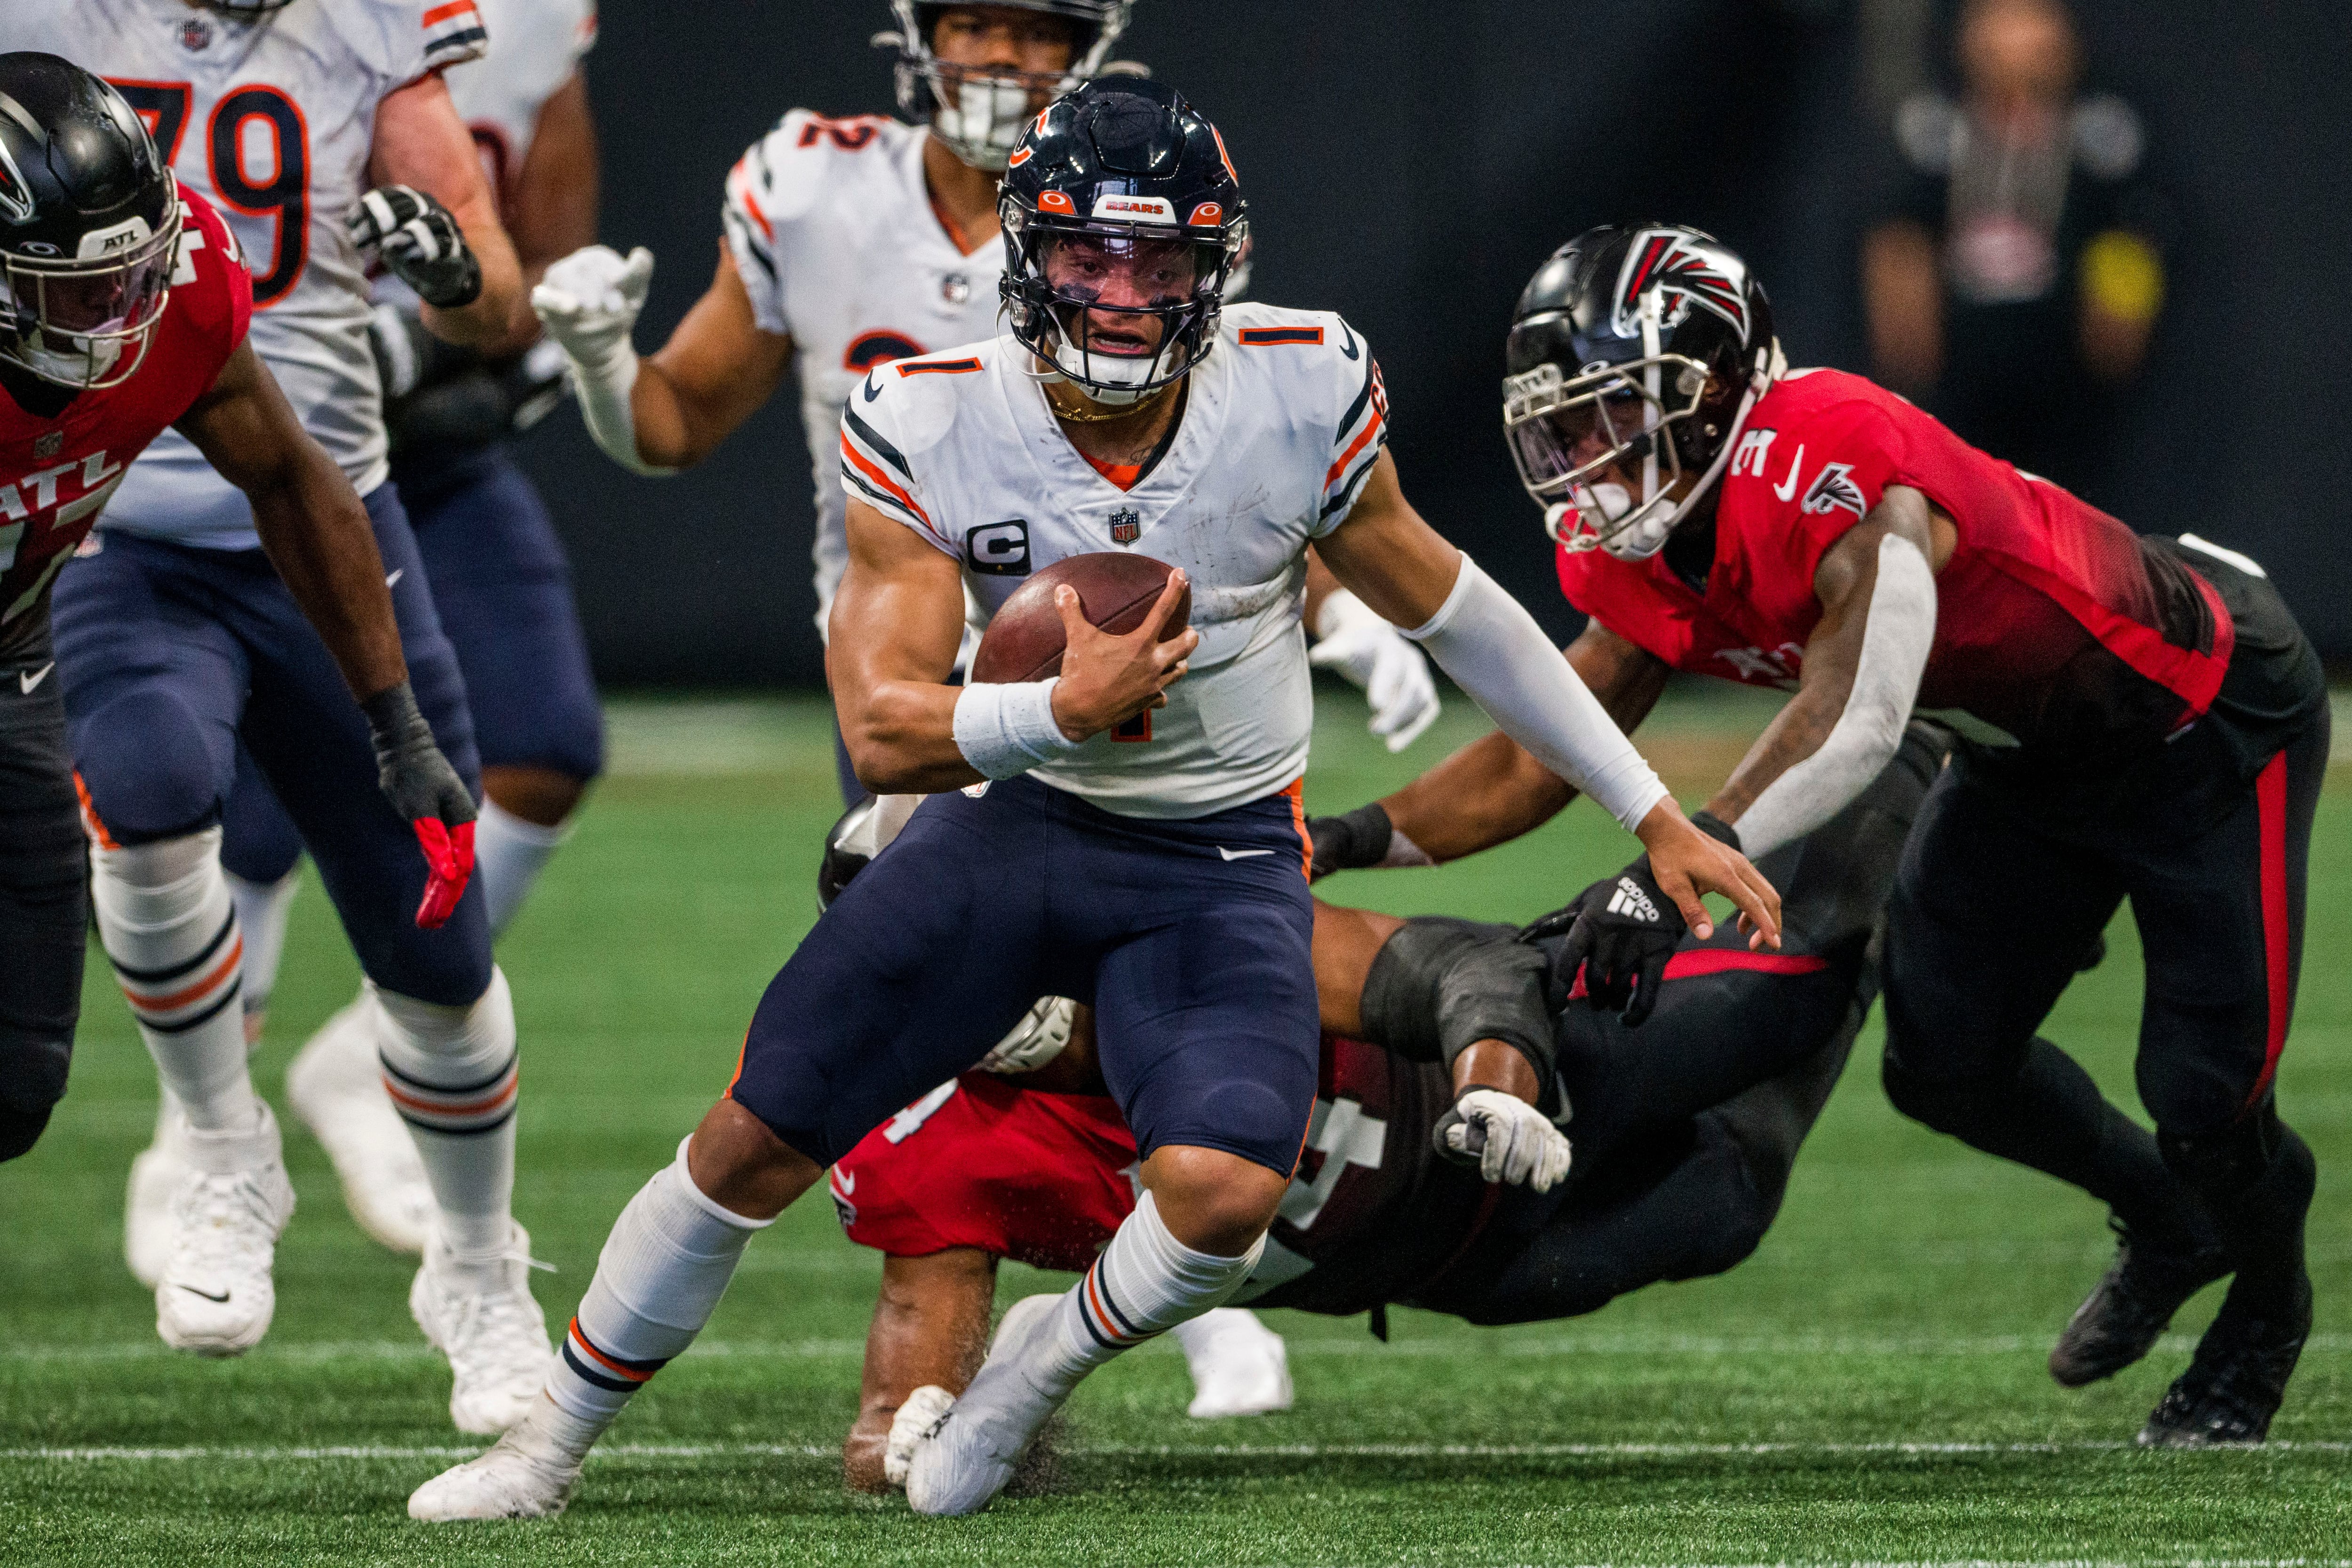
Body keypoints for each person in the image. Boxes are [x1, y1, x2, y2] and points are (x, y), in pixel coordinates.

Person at [406, 79, 1778, 1523]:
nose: (1122, 294)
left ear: (1212, 266)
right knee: (748, 1137)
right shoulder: (930, 413)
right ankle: (543, 1446)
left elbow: (1467, 614)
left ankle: (1018, 1383)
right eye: (1085, 257)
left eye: (1161, 261)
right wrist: (1051, 710)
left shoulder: (1298, 383)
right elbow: (881, 727)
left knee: (1224, 1189)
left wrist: (1647, 806)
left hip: (1219, 854)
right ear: (1026, 251)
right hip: (1021, 827)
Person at [1311, 223, 2328, 1447]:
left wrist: (1665, 866)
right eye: (1565, 428)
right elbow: (1548, 746)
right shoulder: (1647, 544)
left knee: (2207, 1096)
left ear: (1715, 384)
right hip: (2025, 759)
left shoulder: (1834, 450)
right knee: (1944, 1064)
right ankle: (2171, 1217)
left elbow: (1860, 708)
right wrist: (1345, 834)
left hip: (2204, 725)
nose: (1586, 460)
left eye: (1610, 415)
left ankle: (2268, 1305)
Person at [826, 723, 1945, 1492]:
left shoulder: (1168, 924)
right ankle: (1912, 915)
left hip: (1525, 1074)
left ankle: (1904, 754)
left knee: (1772, 1008)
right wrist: (922, 1438)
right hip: (1438, 1265)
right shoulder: (932, 1146)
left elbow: (1467, 967)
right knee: (1728, 1205)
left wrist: (1493, 1083)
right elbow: (886, 1422)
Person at [16, 0, 557, 1433]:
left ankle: (475, 1266)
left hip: (319, 509)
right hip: (112, 525)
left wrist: (454, 282)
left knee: (434, 934)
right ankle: (217, 1146)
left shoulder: (371, 25)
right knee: (142, 787)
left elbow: (491, 299)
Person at [527, 0, 1438, 807]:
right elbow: (675, 425)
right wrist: (603, 363)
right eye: (975, 24)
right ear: (922, 33)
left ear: (1091, 48)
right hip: (912, 668)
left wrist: (1339, 606)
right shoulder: (816, 191)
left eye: (1041, 31)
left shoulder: (1151, 224)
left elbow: (1214, 476)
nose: (1005, 57)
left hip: (1114, 657)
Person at [0, 55, 467, 1185]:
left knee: (14, 1079)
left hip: (11, 666)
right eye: (80, 290)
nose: (121, 313)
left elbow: (294, 480)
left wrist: (393, 716)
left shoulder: (184, 293)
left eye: (132, 273)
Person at [214, 0, 606, 1262]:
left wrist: (476, 325)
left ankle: (359, 1053)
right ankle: (201, 1140)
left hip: (423, 458)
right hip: (247, 437)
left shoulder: (530, 21)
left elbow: (540, 258)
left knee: (544, 742)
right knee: (258, 798)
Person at [1860, 0, 2168, 499]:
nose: (2015, 37)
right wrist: (1904, 340)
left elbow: (2134, 231)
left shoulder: (2106, 135)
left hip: (2066, 382)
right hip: (1958, 382)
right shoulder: (1929, 131)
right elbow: (1897, 239)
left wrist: (2116, 328)